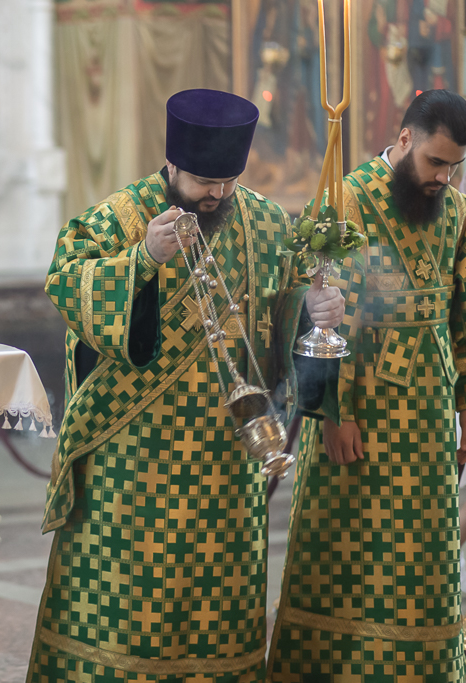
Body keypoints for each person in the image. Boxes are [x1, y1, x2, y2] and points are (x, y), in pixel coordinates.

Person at [28, 88, 345, 681]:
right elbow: (66, 280)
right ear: (172, 164)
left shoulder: (266, 221)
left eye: (228, 180)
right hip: (133, 459)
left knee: (218, 606)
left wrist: (313, 310)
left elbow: (287, 300)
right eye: (203, 180)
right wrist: (142, 259)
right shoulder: (121, 217)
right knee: (124, 607)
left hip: (228, 459)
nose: (217, 193)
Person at [268, 89, 466, 681]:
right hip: (362, 408)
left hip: (430, 410)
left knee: (425, 556)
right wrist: (334, 412)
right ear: (405, 139)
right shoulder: (344, 200)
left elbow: (462, 316)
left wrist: (464, 411)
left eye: (455, 166)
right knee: (348, 551)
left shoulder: (456, 209)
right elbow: (314, 311)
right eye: (435, 161)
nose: (443, 177)